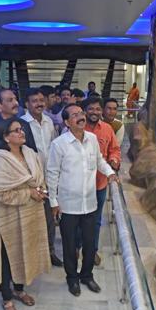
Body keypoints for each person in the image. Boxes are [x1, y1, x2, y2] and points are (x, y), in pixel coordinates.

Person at [0, 118, 51, 310]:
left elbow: (40, 179)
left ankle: (19, 290)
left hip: (31, 214)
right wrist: (29, 193)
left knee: (25, 251)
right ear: (5, 137)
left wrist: (40, 191)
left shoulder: (31, 154)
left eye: (22, 129)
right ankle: (6, 298)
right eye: (16, 130)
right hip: (7, 217)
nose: (22, 133)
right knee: (7, 257)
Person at [46, 104, 119, 297]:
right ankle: (72, 278)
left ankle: (87, 275)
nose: (81, 117)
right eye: (75, 115)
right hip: (68, 205)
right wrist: (53, 201)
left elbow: (99, 161)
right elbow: (52, 173)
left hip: (90, 202)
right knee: (70, 245)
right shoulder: (59, 144)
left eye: (81, 113)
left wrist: (110, 173)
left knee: (89, 242)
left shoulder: (92, 139)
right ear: (67, 122)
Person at [21, 88, 63, 267]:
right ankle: (32, 256)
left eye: (41, 100)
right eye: (34, 100)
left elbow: (54, 148)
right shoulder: (21, 123)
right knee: (32, 221)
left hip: (49, 179)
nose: (39, 103)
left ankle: (50, 252)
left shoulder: (49, 122)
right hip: (31, 181)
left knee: (49, 219)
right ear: (27, 104)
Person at [79, 97, 121, 266]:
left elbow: (115, 149)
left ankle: (91, 251)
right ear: (84, 111)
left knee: (95, 220)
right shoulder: (77, 128)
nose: (94, 112)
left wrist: (114, 160)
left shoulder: (107, 129)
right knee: (77, 219)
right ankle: (76, 247)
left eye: (97, 109)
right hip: (79, 185)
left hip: (99, 184)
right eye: (91, 109)